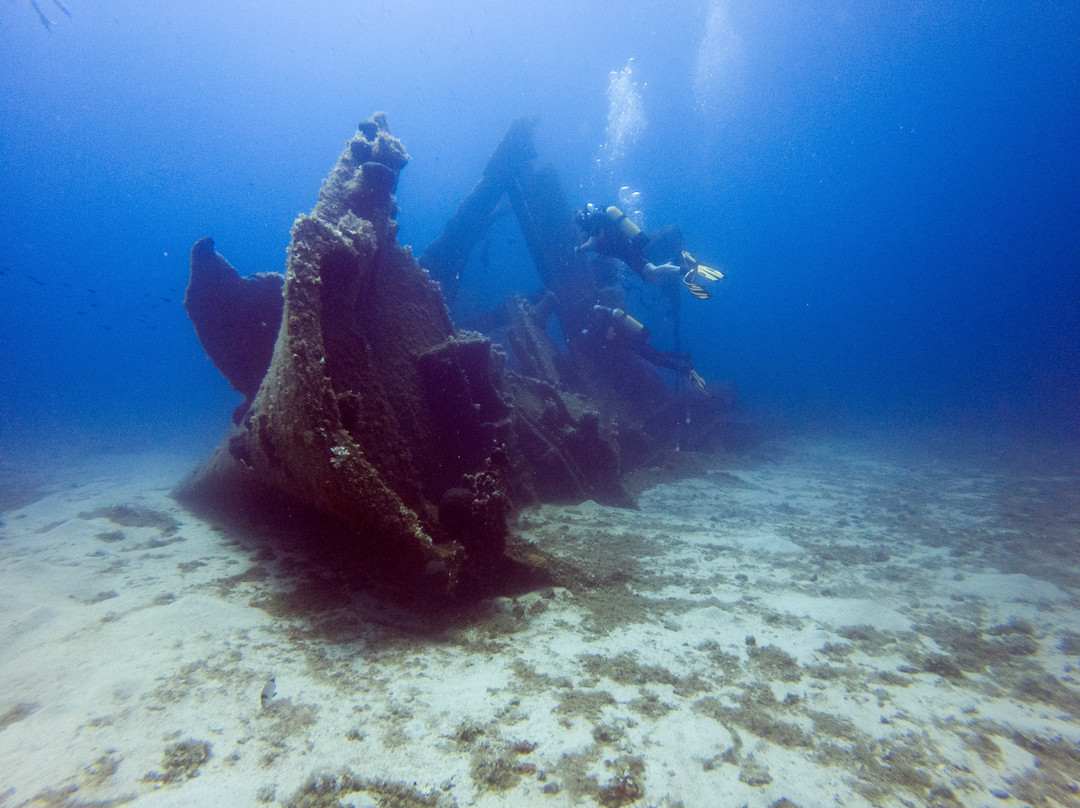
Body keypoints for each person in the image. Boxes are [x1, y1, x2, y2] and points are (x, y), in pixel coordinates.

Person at [575, 203, 724, 298]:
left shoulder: (596, 225)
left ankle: (684, 269)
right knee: (651, 279)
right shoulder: (601, 222)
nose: (582, 229)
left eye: (581, 226)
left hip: (628, 254)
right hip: (630, 251)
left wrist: (578, 249)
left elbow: (591, 244)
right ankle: (676, 261)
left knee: (652, 272)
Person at [583, 295, 707, 392]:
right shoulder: (602, 316)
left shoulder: (600, 314)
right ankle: (684, 357)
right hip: (635, 339)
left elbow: (606, 331)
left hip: (633, 341)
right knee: (657, 354)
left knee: (656, 359)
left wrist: (595, 332)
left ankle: (684, 370)